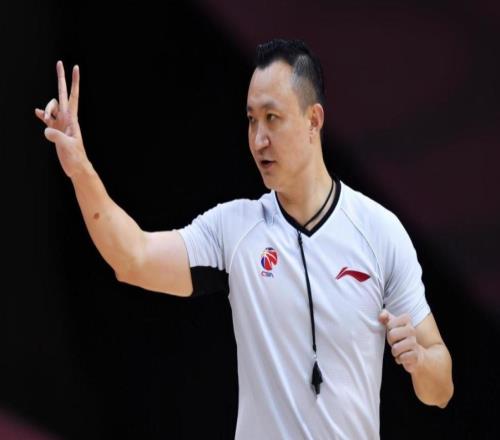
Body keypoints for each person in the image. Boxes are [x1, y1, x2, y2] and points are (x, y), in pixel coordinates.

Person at [36, 39, 453, 439]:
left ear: (314, 120)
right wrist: (80, 169)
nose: (258, 139)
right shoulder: (235, 230)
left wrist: (419, 360)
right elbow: (133, 258)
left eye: (272, 118)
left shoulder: (379, 231)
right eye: (252, 120)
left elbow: (441, 388)